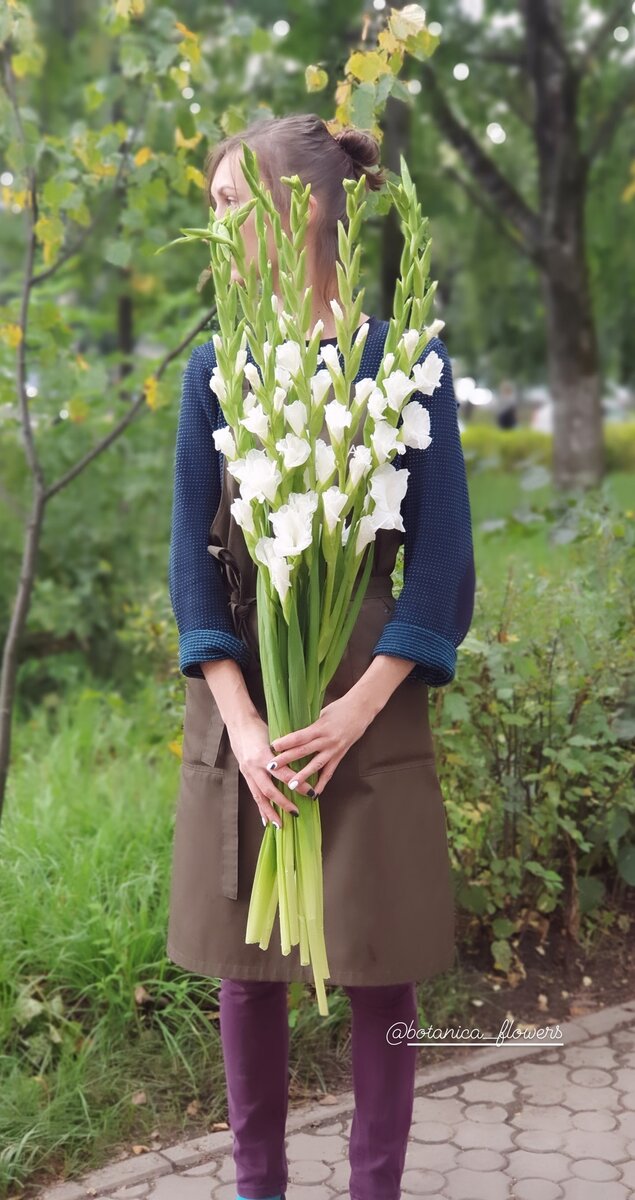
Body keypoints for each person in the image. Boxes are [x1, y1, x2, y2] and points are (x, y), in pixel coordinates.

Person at [166, 112, 476, 1200]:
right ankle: (256, 1187)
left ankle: (373, 1188)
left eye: (223, 208)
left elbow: (440, 569)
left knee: (378, 965)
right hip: (247, 697)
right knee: (246, 973)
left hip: (369, 699)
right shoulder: (216, 367)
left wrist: (353, 710)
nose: (210, 230)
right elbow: (190, 568)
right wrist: (245, 724)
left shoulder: (404, 365)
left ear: (294, 211)